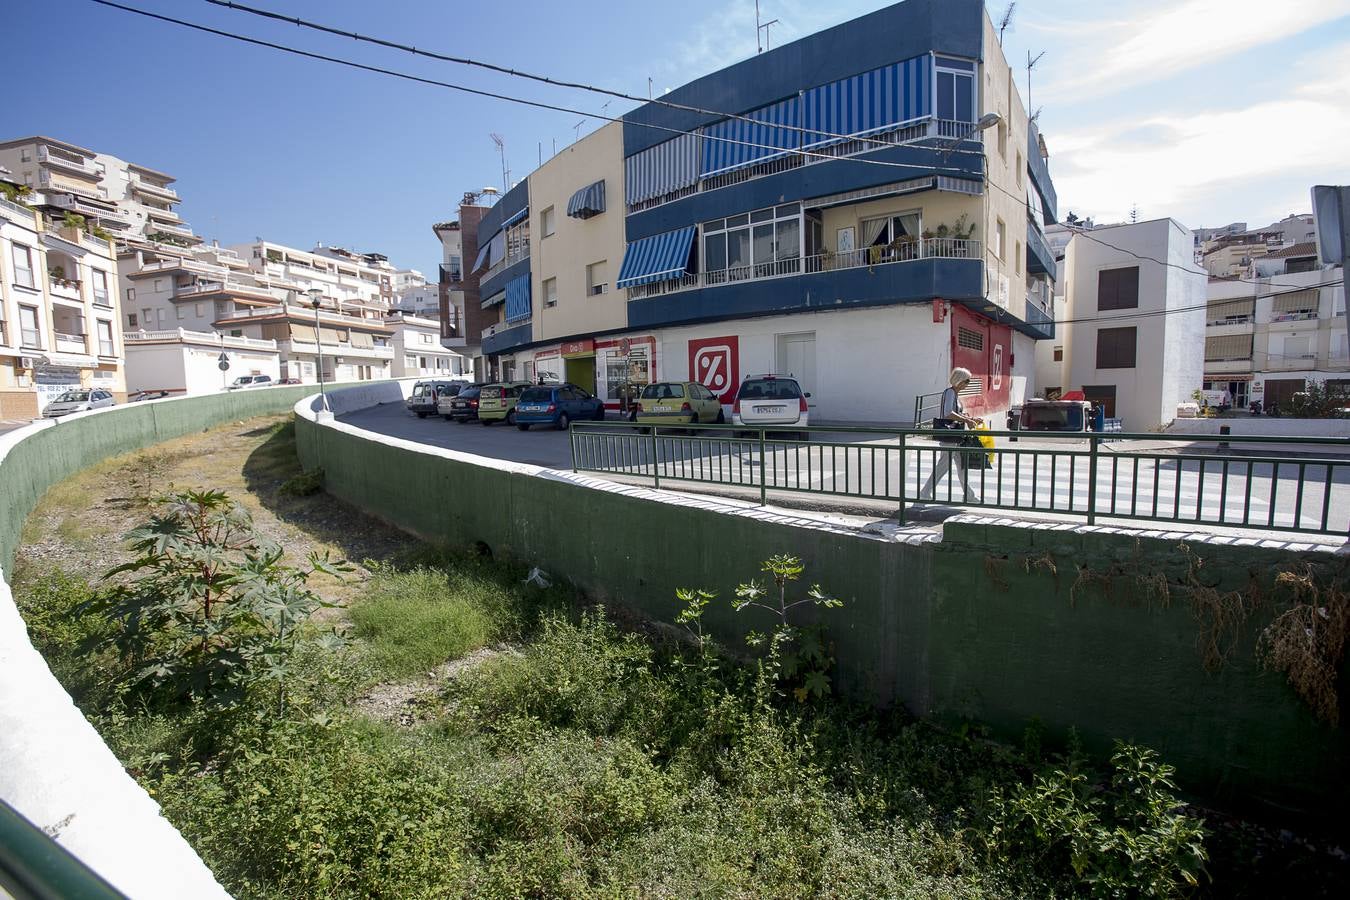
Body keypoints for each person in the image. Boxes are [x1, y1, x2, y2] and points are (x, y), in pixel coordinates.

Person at [919, 367, 983, 503]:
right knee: (944, 467)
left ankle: (969, 496)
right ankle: (924, 493)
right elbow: (948, 413)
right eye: (967, 381)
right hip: (950, 436)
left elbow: (956, 413)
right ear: (960, 381)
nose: (968, 384)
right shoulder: (950, 393)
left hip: (955, 437)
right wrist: (967, 420)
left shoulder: (954, 394)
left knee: (961, 467)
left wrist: (971, 419)